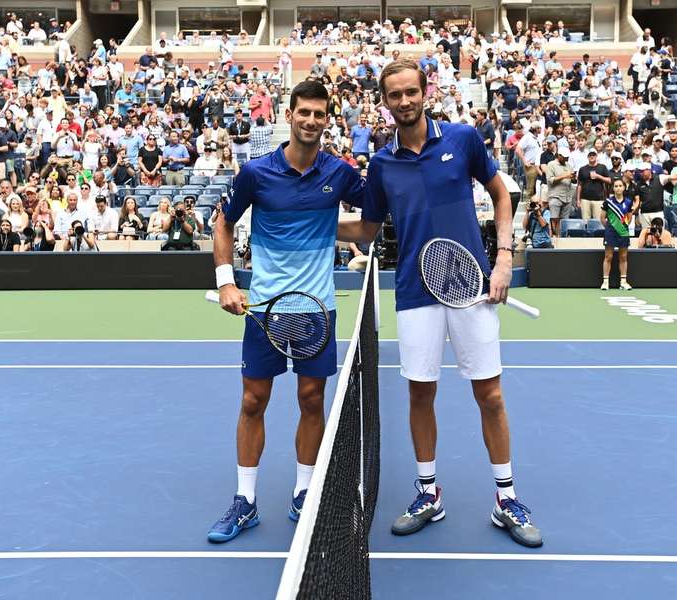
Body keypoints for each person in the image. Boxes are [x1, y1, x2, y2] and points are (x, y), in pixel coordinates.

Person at [337, 59, 543, 548]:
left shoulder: (462, 140)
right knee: (419, 394)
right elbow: (366, 229)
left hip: (472, 288)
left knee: (489, 395)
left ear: (425, 91)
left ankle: (506, 498)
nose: (404, 101)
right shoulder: (382, 164)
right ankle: (428, 493)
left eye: (411, 92)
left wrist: (504, 258)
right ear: (384, 102)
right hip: (414, 291)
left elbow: (501, 194)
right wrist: (306, 219)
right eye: (395, 95)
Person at [207, 80, 365, 544]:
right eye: (304, 113)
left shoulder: (340, 173)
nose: (311, 121)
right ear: (289, 114)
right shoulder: (256, 173)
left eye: (320, 114)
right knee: (253, 401)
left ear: (327, 119)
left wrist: (366, 232)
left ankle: (303, 492)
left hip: (317, 309)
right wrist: (226, 281)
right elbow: (223, 222)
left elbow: (373, 213)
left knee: (311, 400)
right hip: (264, 312)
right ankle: (245, 501)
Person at [600, 178, 638, 290]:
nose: (618, 188)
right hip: (610, 232)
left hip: (623, 232)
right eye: (616, 186)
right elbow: (602, 218)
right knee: (608, 256)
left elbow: (629, 218)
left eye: (620, 186)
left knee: (623, 256)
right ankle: (605, 282)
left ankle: (623, 282)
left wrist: (621, 227)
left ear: (624, 187)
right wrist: (610, 227)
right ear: (613, 188)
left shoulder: (628, 202)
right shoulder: (608, 202)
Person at [544, 147, 574, 236]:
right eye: (565, 158)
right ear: (559, 155)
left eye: (567, 158)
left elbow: (571, 179)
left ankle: (563, 238)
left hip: (567, 196)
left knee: (565, 221)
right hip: (555, 196)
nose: (566, 159)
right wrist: (564, 176)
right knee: (554, 218)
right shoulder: (551, 164)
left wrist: (573, 178)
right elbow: (550, 180)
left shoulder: (569, 165)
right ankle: (554, 237)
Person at [576, 148, 611, 221]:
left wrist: (598, 176)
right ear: (587, 156)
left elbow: (609, 180)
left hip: (598, 199)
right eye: (590, 155)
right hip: (585, 199)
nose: (592, 156)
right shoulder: (582, 169)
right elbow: (579, 185)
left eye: (593, 155)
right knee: (585, 222)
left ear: (596, 156)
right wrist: (578, 200)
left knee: (598, 221)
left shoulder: (602, 167)